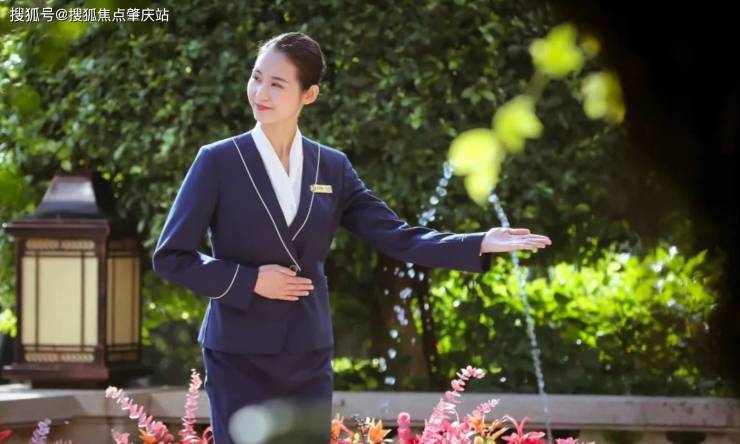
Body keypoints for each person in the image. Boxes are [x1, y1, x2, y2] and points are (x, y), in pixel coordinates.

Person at [152, 31, 551, 444]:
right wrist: (250, 281)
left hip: (307, 352)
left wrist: (478, 242)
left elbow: (396, 236)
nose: (260, 92)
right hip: (238, 352)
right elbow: (172, 257)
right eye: (256, 78)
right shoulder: (218, 161)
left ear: (309, 95)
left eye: (277, 84)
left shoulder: (331, 166)